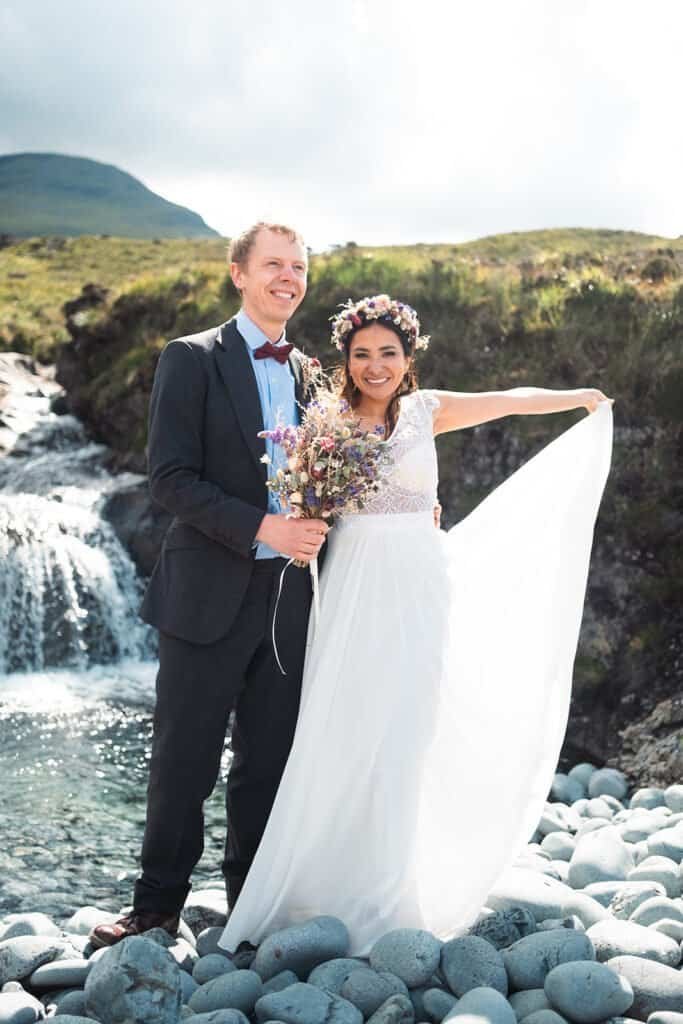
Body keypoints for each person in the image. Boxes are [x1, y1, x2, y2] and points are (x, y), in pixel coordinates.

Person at [218, 293, 613, 957]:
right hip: (351, 583)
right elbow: (296, 495)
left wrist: (577, 396)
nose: (375, 366)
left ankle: (393, 889)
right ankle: (319, 885)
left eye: (388, 354)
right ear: (346, 359)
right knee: (345, 722)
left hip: (420, 582)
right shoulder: (325, 418)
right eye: (362, 354)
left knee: (408, 725)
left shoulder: (429, 411)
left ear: (408, 359)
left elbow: (510, 398)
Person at [89, 222, 330, 949]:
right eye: (272, 265)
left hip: (290, 600)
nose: (287, 277)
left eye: (297, 267)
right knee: (184, 759)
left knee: (267, 762)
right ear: (238, 273)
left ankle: (248, 909)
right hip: (204, 594)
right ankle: (156, 907)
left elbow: (329, 481)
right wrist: (265, 527)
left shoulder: (311, 374)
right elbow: (169, 479)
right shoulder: (190, 358)